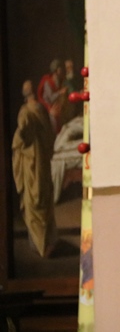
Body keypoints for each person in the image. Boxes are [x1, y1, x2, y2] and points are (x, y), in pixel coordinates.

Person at [12, 80, 58, 257]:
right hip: (41, 162)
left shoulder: (25, 112)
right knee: (42, 198)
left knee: (33, 200)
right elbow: (49, 136)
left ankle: (40, 244)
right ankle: (46, 244)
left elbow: (22, 134)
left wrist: (18, 141)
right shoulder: (41, 110)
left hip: (31, 163)